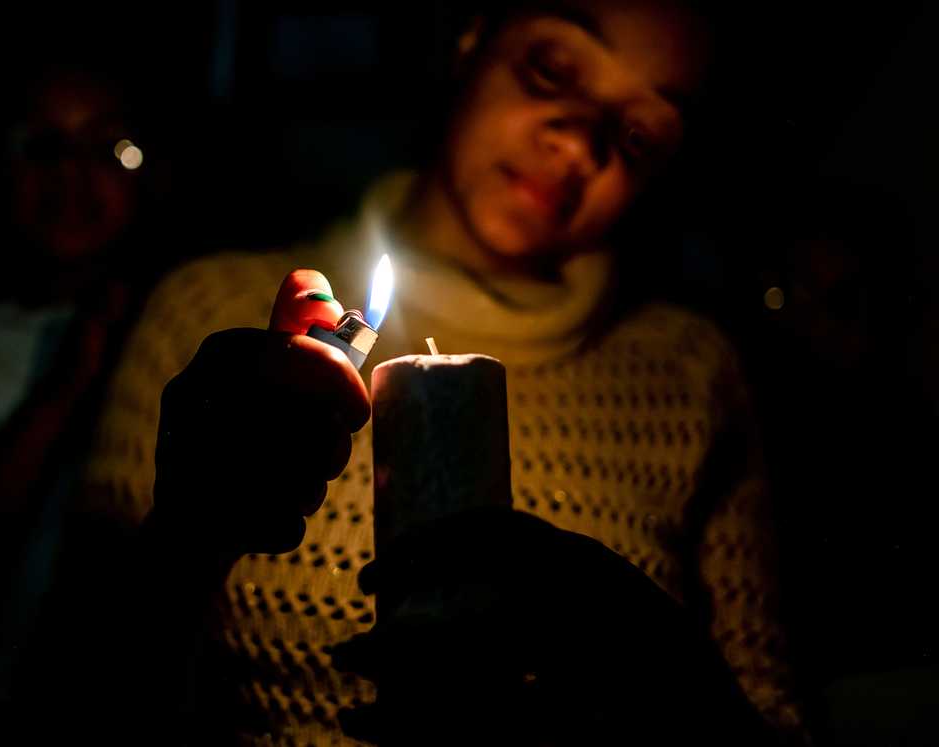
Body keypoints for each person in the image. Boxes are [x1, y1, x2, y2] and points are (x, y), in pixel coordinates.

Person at [46, 1, 808, 743]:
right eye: (552, 70)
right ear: (472, 35)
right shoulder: (204, 308)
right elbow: (73, 685)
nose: (580, 144)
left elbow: (771, 716)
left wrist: (664, 688)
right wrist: (190, 540)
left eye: (639, 134)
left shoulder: (691, 371)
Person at [0, 66, 151, 712]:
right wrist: (70, 378)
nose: (72, 177)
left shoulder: (184, 320)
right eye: (44, 148)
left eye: (109, 149)